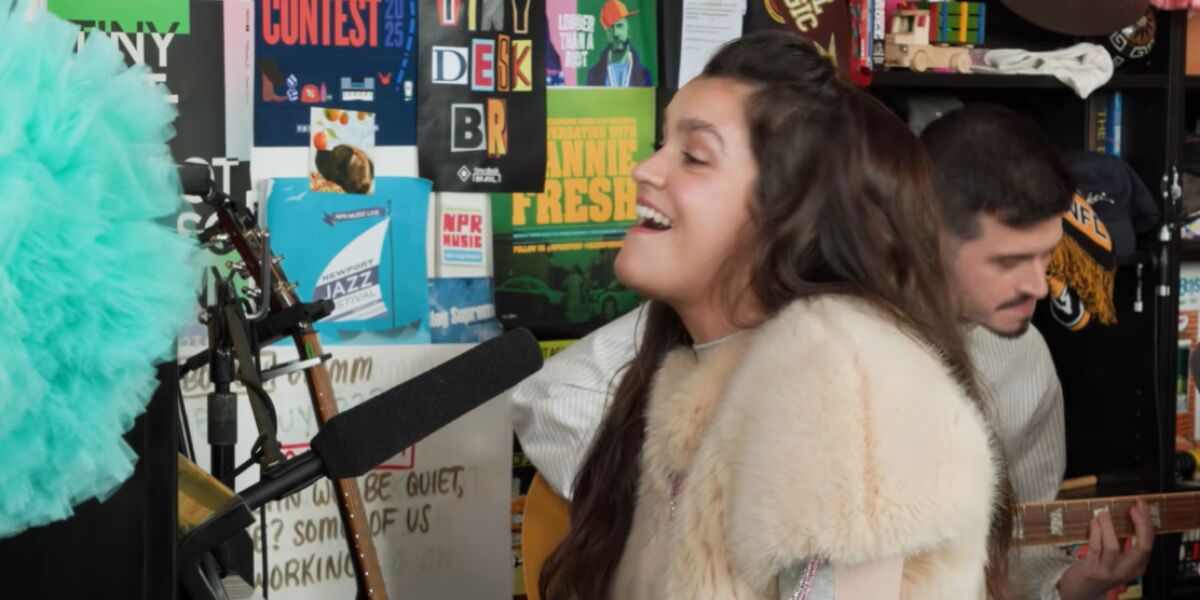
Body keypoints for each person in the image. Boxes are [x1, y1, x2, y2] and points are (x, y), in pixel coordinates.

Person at [511, 99, 1156, 597]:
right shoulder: (783, 313)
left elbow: (1013, 562)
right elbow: (551, 398)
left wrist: (1076, 584)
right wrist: (719, 512)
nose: (1035, 284)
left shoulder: (1024, 367)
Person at [536, 30, 1006, 599]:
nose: (646, 170)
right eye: (662, 145)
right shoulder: (694, 383)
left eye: (694, 156)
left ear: (788, 213)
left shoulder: (845, 384)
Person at [585, 0, 653, 87]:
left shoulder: (644, 75)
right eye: (611, 28)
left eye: (620, 26)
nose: (616, 33)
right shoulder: (593, 75)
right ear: (606, 34)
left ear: (629, 32)